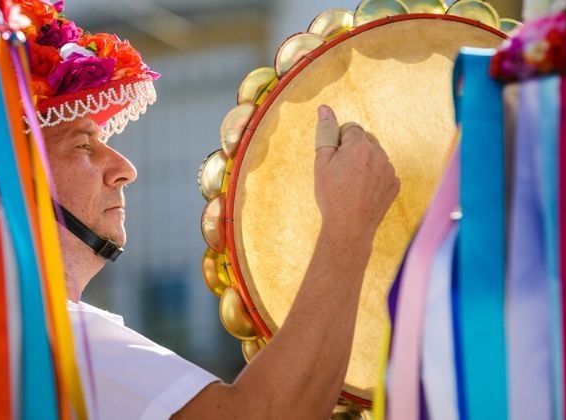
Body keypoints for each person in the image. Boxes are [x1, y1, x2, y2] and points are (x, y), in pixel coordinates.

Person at [22, 0, 400, 418]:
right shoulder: (49, 336)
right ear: (9, 181)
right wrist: (349, 225)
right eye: (82, 144)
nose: (124, 169)